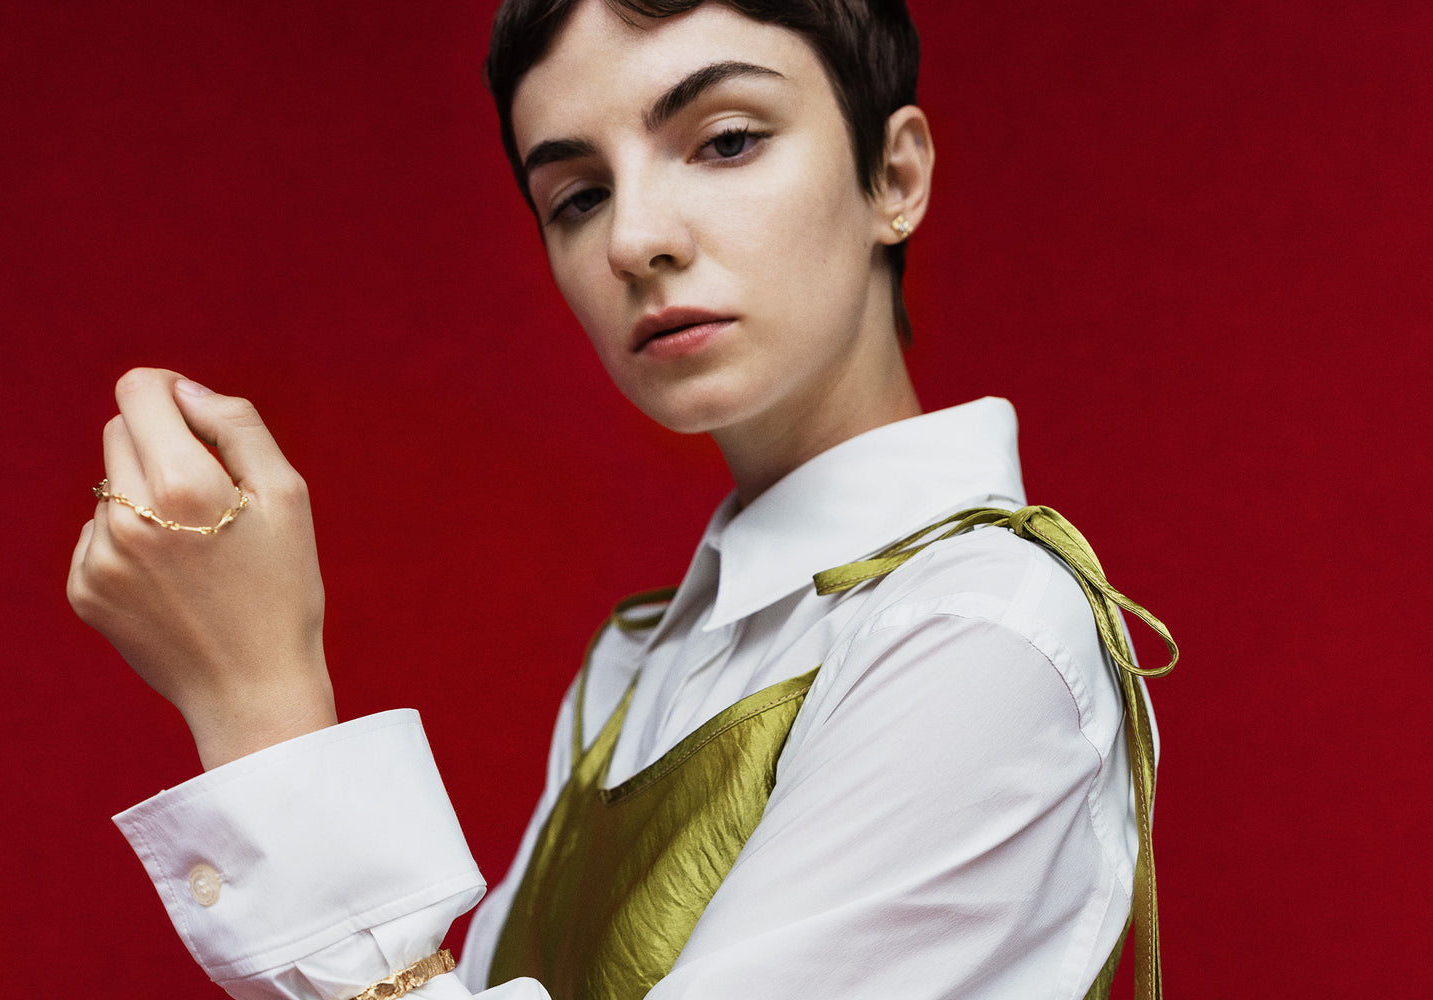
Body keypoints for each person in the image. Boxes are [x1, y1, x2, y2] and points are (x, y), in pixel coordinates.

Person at [68, 1, 1173, 998]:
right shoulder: (642, 657)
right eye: (579, 196)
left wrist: (261, 704)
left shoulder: (977, 629)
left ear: (894, 176)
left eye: (726, 140)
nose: (635, 239)